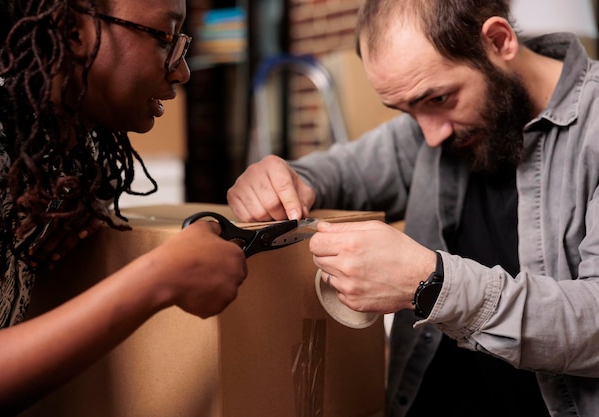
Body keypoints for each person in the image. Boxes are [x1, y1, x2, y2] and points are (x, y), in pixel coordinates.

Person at [227, 0, 599, 416]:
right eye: (406, 111)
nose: (430, 135)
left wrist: (432, 284)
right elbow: (341, 171)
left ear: (499, 41)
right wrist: (284, 180)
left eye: (439, 98)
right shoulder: (431, 127)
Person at [0, 0, 247, 415]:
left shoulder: (82, 148)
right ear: (72, 32)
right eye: (165, 39)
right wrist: (159, 277)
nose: (181, 70)